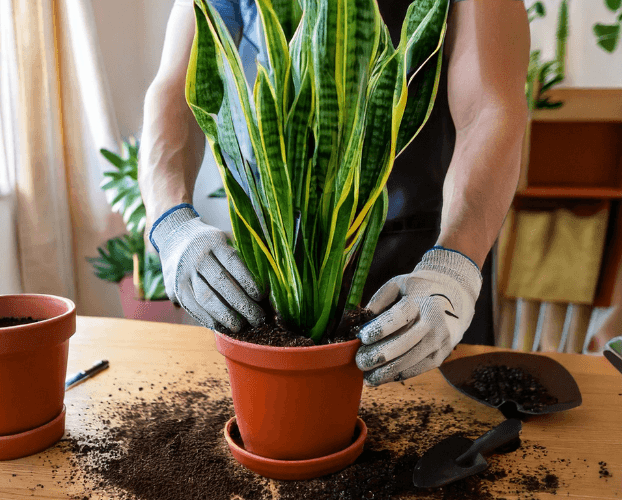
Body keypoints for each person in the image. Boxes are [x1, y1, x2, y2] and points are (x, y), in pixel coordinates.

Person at [139, 0, 529, 386]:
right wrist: (171, 222)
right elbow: (176, 88)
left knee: (450, 434)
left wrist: (454, 265)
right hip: (284, 259)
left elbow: (488, 107)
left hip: (428, 252)